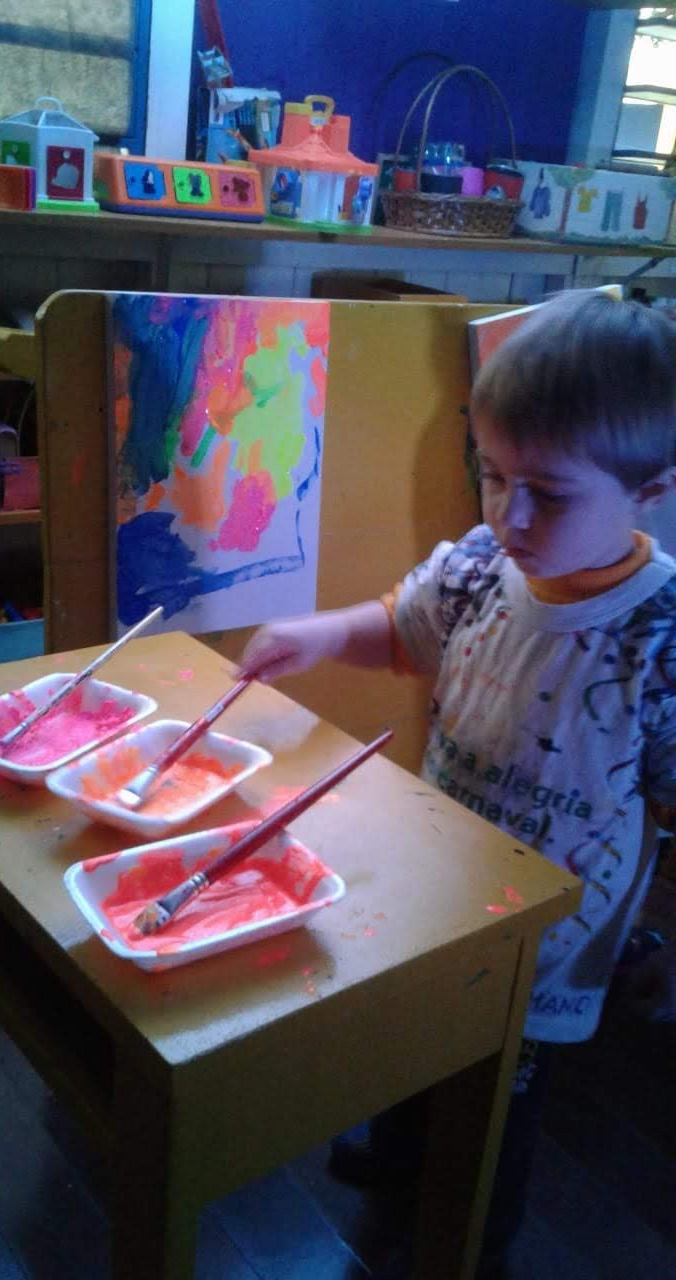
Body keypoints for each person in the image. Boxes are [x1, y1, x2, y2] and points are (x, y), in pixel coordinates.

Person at [239, 290, 676, 1275]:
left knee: (493, 1104)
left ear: (652, 489)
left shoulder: (663, 635)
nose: (508, 514)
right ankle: (398, 1165)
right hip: (435, 878)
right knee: (411, 1032)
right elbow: (403, 631)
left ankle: (470, 1238)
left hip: (547, 934)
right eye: (492, 475)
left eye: (548, 494)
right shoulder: (480, 564)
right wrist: (320, 634)